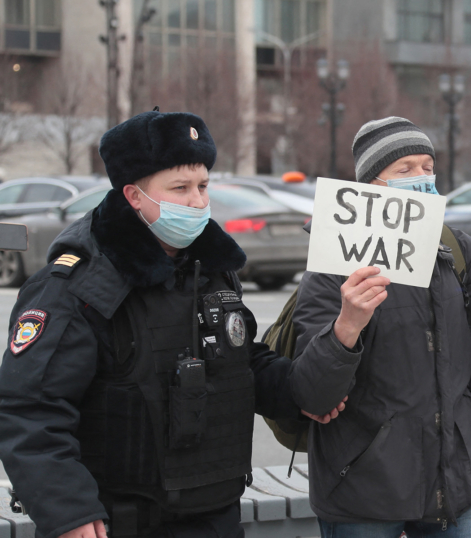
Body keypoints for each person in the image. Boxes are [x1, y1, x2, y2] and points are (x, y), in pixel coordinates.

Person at [0, 110, 341, 538]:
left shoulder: (211, 270)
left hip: (215, 516)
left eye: (203, 186)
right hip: (118, 521)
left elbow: (242, 363)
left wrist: (303, 389)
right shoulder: (78, 285)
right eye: (180, 188)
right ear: (134, 195)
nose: (198, 202)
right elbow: (30, 410)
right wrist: (68, 510)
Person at [288, 116, 471, 537]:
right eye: (405, 169)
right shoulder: (334, 262)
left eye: (427, 167)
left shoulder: (456, 249)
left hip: (452, 480)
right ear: (372, 185)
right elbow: (312, 392)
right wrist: (347, 326)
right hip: (363, 489)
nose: (422, 178)